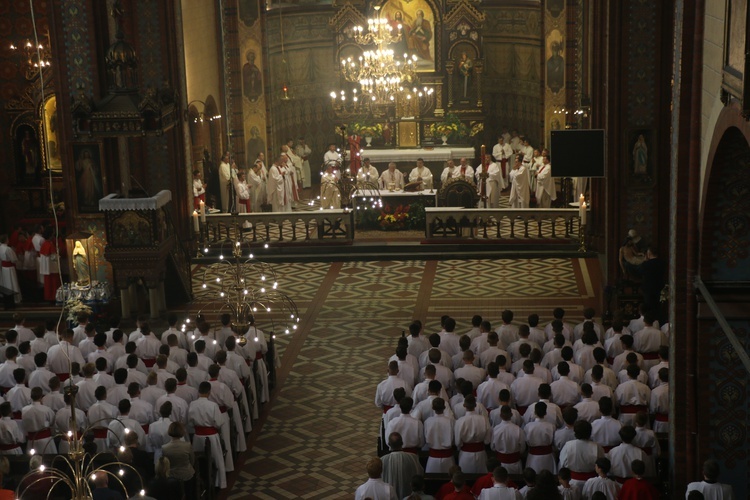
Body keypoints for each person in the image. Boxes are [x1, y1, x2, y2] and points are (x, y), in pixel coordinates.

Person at [382, 432, 424, 499]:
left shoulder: (383, 460)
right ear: (402, 443)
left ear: (389, 444)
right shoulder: (413, 458)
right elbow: (420, 474)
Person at [161, 422, 196, 499]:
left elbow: (165, 464)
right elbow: (192, 461)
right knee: (190, 494)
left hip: (172, 476)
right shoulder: (187, 445)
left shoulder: (164, 448)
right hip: (187, 475)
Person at [0, 235, 21, 303]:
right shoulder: (8, 249)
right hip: (10, 268)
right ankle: (15, 298)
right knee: (12, 282)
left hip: (3, 268)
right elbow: (14, 259)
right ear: (6, 240)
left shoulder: (0, 247)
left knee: (6, 282)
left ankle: (7, 297)